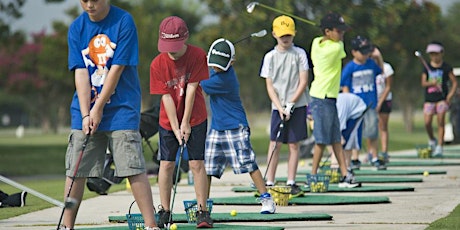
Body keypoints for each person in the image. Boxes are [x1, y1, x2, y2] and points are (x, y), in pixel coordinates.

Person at [64, 1, 158, 230]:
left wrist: (98, 108)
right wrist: (86, 113)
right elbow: (81, 73)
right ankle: (67, 226)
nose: (89, 5)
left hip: (121, 109)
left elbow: (116, 69)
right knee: (77, 169)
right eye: (84, 0)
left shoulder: (123, 22)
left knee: (132, 166)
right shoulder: (77, 28)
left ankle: (151, 225)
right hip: (84, 109)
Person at [149, 16, 213, 228]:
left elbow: (192, 90)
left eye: (175, 46)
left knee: (196, 163)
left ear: (185, 38)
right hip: (168, 120)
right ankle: (165, 211)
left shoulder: (197, 55)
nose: (171, 51)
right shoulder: (157, 64)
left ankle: (202, 211)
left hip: (195, 116)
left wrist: (185, 123)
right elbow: (166, 97)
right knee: (166, 164)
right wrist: (176, 127)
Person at [201, 38, 276, 214]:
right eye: (214, 64)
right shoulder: (212, 70)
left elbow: (199, 85)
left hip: (236, 127)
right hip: (217, 128)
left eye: (219, 65)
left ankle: (267, 199)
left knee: (248, 163)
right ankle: (202, 206)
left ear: (231, 62)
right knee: (207, 168)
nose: (216, 67)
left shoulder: (225, 80)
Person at [309, 12, 360, 188]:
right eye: (339, 31)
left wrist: (328, 32)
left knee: (336, 139)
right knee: (322, 141)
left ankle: (345, 174)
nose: (342, 34)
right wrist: (333, 36)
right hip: (322, 97)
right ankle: (313, 176)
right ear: (328, 31)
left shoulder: (316, 43)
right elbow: (340, 47)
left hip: (327, 98)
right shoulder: (336, 48)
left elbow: (322, 39)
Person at [259, 15, 309, 197]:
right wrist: (280, 107)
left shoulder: (300, 54)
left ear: (294, 33)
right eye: (282, 35)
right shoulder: (270, 57)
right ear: (274, 34)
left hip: (298, 104)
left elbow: (303, 80)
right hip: (277, 106)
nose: (285, 38)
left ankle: (291, 181)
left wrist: (291, 104)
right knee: (275, 143)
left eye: (288, 34)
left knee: (294, 144)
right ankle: (270, 181)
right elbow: (269, 85)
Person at [341, 35, 385, 170]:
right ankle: (355, 158)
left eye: (367, 51)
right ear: (354, 52)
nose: (366, 54)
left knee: (372, 132)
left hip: (370, 104)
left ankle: (374, 156)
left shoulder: (371, 63)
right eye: (362, 51)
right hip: (355, 107)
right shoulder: (350, 67)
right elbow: (345, 86)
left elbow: (381, 71)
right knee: (355, 133)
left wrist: (378, 57)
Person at [421, 41, 458, 157]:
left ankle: (440, 147)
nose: (434, 56)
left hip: (442, 98)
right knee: (427, 123)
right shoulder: (427, 67)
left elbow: (454, 83)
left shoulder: (446, 67)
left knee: (441, 121)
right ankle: (432, 139)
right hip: (429, 98)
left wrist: (450, 96)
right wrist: (431, 83)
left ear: (441, 53)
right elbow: (423, 82)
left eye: (436, 54)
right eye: (432, 54)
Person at [371, 47, 394, 163]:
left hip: (385, 100)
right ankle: (372, 152)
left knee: (382, 126)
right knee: (370, 127)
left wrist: (379, 103)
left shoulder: (387, 67)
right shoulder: (368, 66)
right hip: (372, 100)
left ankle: (384, 152)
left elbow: (388, 87)